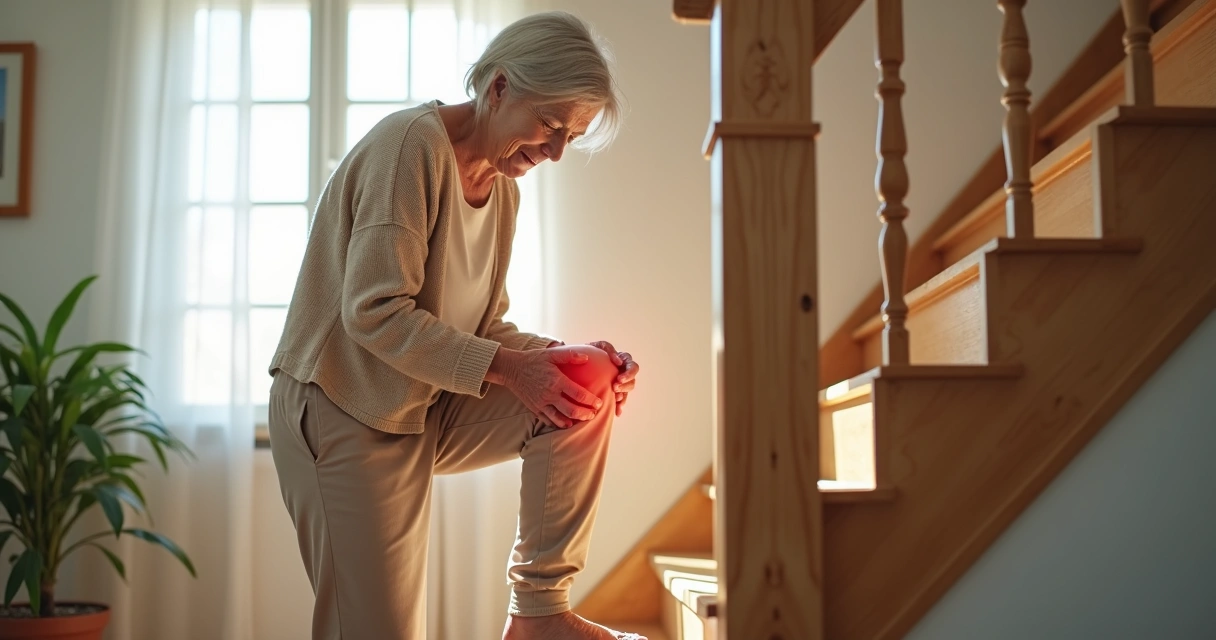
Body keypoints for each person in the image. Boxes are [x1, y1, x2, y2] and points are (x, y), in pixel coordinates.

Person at [266, 10, 644, 640]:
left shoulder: (503, 190)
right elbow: (375, 313)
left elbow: (484, 328)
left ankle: (539, 612)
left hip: (419, 403)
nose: (555, 153)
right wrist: (517, 369)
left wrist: (565, 358)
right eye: (551, 126)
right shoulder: (409, 147)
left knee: (586, 385)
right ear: (499, 87)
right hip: (342, 404)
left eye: (571, 138)